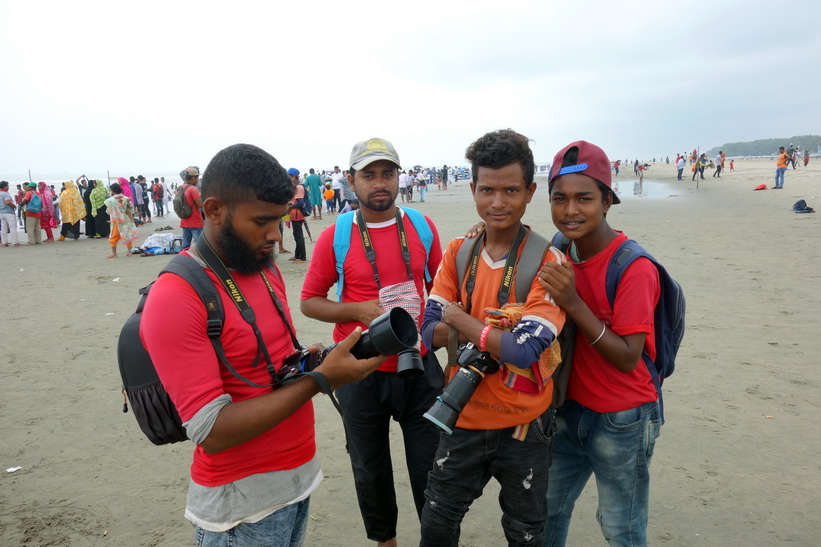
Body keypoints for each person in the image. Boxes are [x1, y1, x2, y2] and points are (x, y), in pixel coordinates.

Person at [140, 143, 385, 545]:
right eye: (262, 221)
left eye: (280, 219)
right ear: (214, 210)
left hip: (297, 479)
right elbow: (211, 430)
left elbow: (270, 365)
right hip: (240, 506)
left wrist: (312, 362)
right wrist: (321, 380)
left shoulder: (262, 267)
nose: (275, 234)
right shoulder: (176, 296)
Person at [418, 129, 565, 547]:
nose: (498, 202)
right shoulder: (458, 252)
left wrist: (458, 319)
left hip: (524, 425)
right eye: (487, 190)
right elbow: (427, 332)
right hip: (460, 416)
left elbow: (524, 350)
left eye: (510, 190)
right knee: (436, 525)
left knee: (525, 532)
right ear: (473, 190)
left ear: (530, 192)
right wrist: (493, 332)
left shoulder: (548, 261)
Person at [301, 137, 444, 547]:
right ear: (352, 181)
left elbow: (442, 291)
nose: (379, 183)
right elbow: (309, 302)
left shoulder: (421, 226)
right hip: (358, 370)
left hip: (418, 366)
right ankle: (386, 542)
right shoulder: (336, 235)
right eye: (369, 175)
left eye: (387, 173)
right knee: (369, 468)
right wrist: (358, 311)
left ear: (399, 177)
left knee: (432, 469)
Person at [539, 140, 662, 547]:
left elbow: (628, 357)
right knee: (546, 511)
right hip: (567, 407)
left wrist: (573, 302)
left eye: (584, 198)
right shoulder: (560, 249)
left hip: (622, 417)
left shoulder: (633, 267)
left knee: (620, 526)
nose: (570, 210)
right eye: (559, 199)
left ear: (607, 201)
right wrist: (480, 232)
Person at [103, 182, 138, 257]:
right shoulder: (125, 198)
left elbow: (109, 211)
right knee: (127, 235)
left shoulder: (110, 200)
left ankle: (114, 253)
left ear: (112, 191)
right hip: (125, 219)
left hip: (116, 220)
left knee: (113, 237)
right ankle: (129, 252)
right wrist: (131, 218)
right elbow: (129, 209)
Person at [179, 166, 205, 249]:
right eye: (197, 178)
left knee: (185, 245)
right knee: (199, 246)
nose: (197, 180)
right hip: (195, 222)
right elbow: (200, 204)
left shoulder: (181, 187)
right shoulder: (193, 189)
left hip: (185, 221)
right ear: (193, 178)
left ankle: (183, 256)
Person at [287, 167, 307, 263]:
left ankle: (302, 257)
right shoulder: (296, 186)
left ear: (295, 177)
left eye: (290, 176)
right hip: (294, 214)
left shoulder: (299, 187)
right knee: (296, 235)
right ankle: (297, 255)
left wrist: (291, 207)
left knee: (298, 235)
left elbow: (300, 202)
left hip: (297, 215)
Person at [0, 181, 20, 246]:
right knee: (13, 227)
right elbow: (8, 202)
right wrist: (14, 206)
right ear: (5, 186)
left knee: (3, 228)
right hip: (9, 212)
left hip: (1, 212)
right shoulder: (6, 194)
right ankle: (15, 242)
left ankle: (4, 242)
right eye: (7, 186)